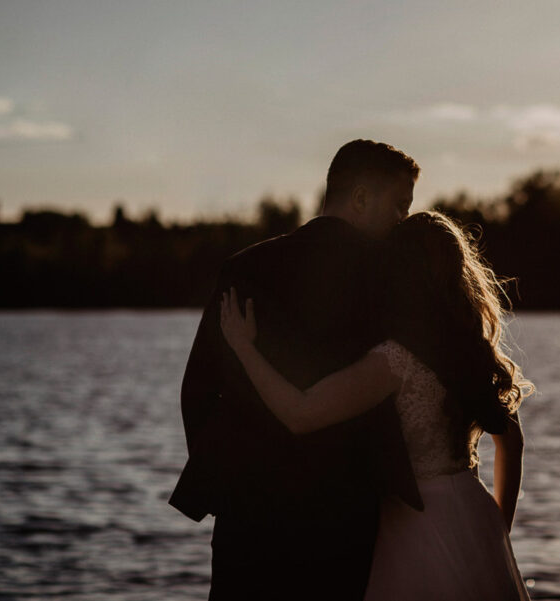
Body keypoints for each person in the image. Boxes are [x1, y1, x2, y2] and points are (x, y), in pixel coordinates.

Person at [220, 210, 535, 601]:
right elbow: (512, 445)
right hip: (475, 513)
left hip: (414, 527)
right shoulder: (475, 351)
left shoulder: (396, 361)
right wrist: (495, 530)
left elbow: (300, 413)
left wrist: (244, 348)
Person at [168, 139, 423, 600]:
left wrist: (229, 481)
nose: (402, 220)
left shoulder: (245, 267)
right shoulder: (389, 277)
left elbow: (199, 389)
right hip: (342, 517)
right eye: (399, 206)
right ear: (360, 197)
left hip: (247, 514)